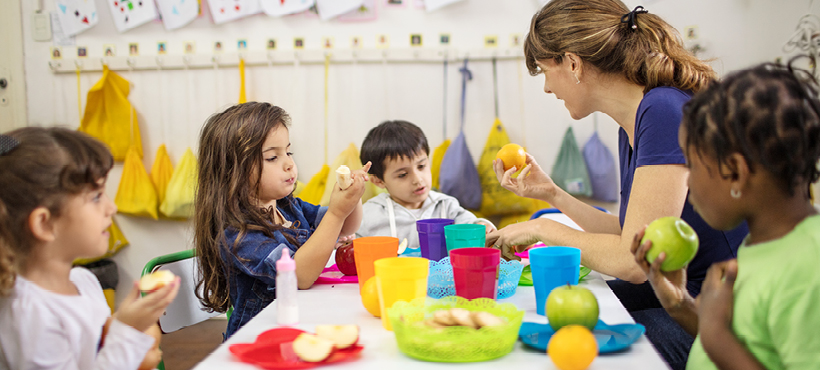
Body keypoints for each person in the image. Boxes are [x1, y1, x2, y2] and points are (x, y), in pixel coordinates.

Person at [485, 1, 747, 368]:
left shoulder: (663, 111)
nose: (546, 88)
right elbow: (633, 233)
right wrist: (552, 195)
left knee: (578, 344)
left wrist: (541, 227)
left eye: (545, 71)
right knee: (562, 320)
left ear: (573, 64)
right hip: (684, 290)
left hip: (725, 311)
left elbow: (632, 262)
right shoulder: (637, 119)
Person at [632, 60, 820, 370]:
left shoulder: (807, 268)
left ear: (735, 172)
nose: (688, 182)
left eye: (692, 166)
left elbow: (726, 348)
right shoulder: (765, 244)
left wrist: (718, 336)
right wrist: (682, 305)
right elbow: (754, 348)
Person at [0, 127, 180, 369]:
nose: (111, 207)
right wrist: (128, 332)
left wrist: (131, 324)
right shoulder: (30, 315)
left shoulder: (83, 281)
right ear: (44, 223)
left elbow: (97, 353)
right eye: (96, 197)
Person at [194, 102, 369, 339]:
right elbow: (300, 275)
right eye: (273, 157)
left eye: (288, 152)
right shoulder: (238, 235)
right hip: (257, 338)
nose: (289, 163)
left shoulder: (287, 206)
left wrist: (352, 195)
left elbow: (347, 226)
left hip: (298, 324)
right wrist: (337, 213)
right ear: (233, 171)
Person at [356, 120, 496, 253]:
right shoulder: (369, 214)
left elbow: (471, 224)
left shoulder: (445, 206)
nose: (418, 179)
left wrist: (482, 226)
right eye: (403, 174)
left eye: (421, 166)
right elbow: (349, 248)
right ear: (379, 181)